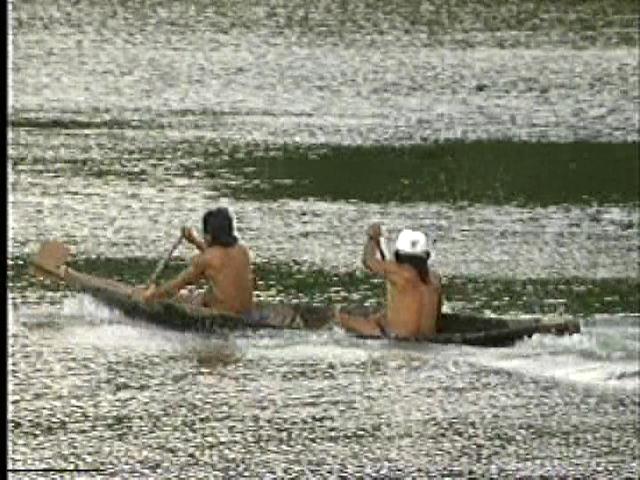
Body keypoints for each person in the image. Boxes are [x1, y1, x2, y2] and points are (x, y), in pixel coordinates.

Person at [139, 207, 254, 315]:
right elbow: (219, 260)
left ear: (209, 236)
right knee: (198, 296)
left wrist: (152, 295)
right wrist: (194, 241)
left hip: (222, 313)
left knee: (189, 297)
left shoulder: (207, 259)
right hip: (245, 313)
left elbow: (176, 286)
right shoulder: (243, 251)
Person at [338, 223, 442, 339]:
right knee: (380, 316)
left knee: (341, 317)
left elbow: (369, 262)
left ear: (398, 255)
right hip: (426, 339)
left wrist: (372, 237)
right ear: (426, 256)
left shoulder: (402, 274)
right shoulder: (435, 279)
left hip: (398, 340)